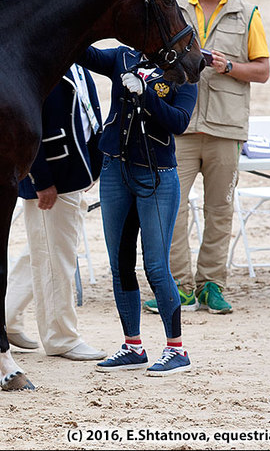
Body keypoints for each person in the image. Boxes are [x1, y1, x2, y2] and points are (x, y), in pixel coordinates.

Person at [146, 0, 270, 316]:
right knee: (172, 209)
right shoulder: (176, 9)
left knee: (220, 210)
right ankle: (180, 287)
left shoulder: (248, 14)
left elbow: (263, 71)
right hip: (180, 128)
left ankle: (212, 285)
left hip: (224, 129)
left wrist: (228, 66)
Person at [79, 45, 197, 376]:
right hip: (116, 168)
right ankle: (133, 345)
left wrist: (146, 95)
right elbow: (85, 54)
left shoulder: (183, 71)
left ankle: (177, 349)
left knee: (156, 266)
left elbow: (179, 121)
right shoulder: (122, 57)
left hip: (157, 174)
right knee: (120, 263)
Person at [4, 64, 107, 361]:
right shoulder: (42, 65)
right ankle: (61, 337)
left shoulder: (79, 65)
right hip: (52, 180)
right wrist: (42, 181)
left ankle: (7, 316)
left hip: (75, 172)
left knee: (43, 249)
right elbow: (26, 125)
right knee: (56, 257)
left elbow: (87, 117)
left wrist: (90, 168)